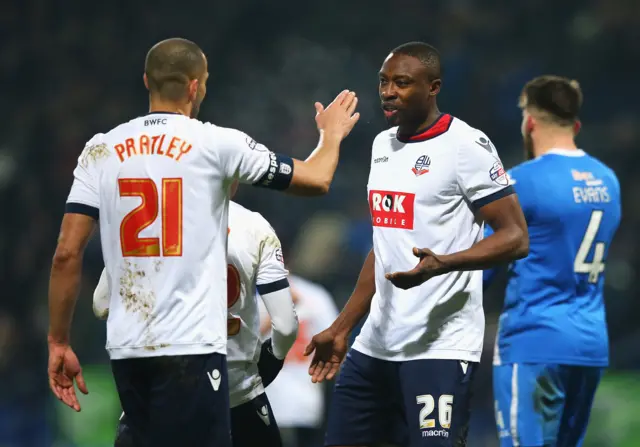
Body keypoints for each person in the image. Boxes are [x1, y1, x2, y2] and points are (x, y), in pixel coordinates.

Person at [47, 37, 359, 447]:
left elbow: (67, 255)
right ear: (196, 86)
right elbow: (315, 180)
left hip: (128, 352)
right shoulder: (216, 144)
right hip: (192, 347)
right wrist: (331, 136)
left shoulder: (100, 149)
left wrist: (58, 340)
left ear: (147, 81)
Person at [303, 41, 529, 447]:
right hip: (374, 347)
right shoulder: (382, 146)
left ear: (433, 87)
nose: (389, 91)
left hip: (439, 348)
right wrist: (341, 328)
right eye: (384, 82)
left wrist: (444, 262)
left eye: (402, 83)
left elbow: (515, 236)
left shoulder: (467, 146)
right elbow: (385, 245)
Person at [93, 180, 298, 447]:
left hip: (159, 397)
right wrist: (275, 356)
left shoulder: (145, 220)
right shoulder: (255, 226)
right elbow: (285, 326)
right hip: (237, 394)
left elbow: (102, 304)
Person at [485, 76, 621, 447]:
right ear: (575, 125)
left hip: (534, 342)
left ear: (529, 121)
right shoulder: (608, 181)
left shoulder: (520, 181)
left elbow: (482, 267)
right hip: (590, 344)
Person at [261, 274, 339, 447]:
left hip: (270, 405)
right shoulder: (315, 295)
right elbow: (335, 349)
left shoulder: (245, 295)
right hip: (303, 404)